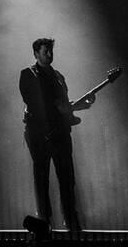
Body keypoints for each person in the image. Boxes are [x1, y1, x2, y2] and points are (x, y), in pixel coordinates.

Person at [19, 37, 93, 232]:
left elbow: (64, 106)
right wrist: (60, 107)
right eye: (46, 52)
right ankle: (44, 222)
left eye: (51, 51)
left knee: (67, 179)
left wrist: (81, 106)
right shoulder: (28, 75)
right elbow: (34, 102)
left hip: (61, 135)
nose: (50, 55)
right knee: (42, 179)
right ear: (36, 54)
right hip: (40, 136)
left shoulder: (59, 76)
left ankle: (71, 221)